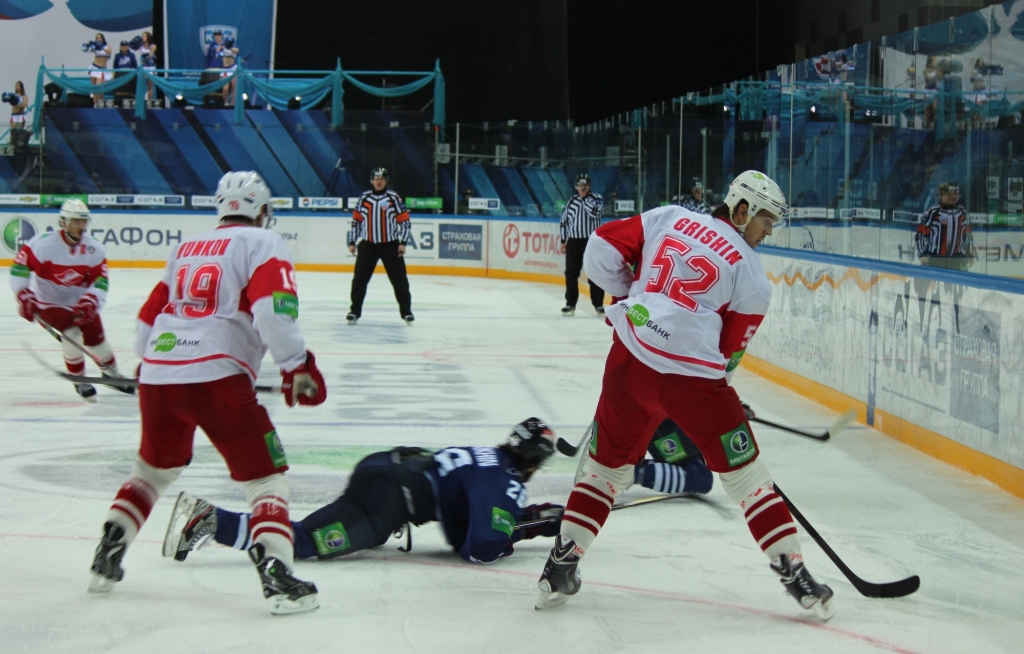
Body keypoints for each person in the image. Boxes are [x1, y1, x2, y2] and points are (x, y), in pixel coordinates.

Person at [536, 170, 836, 621]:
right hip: (690, 381)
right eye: (766, 219)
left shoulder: (669, 217)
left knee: (604, 470)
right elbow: (728, 355)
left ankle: (559, 567)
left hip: (629, 358)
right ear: (741, 210)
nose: (769, 230)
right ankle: (796, 575)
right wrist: (721, 401)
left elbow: (598, 248)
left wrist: (635, 295)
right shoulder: (752, 274)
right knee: (747, 477)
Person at [87, 171, 329, 616]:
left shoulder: (185, 248)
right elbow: (273, 310)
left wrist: (151, 365)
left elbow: (147, 317)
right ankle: (276, 572)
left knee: (153, 471)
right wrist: (296, 364)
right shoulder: (264, 243)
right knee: (265, 477)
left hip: (160, 375)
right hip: (217, 376)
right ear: (261, 210)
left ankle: (110, 548)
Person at [165, 418, 563, 566]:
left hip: (383, 466)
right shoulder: (505, 481)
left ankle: (214, 521)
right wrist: (524, 527)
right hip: (385, 500)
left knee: (312, 529)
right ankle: (212, 520)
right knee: (303, 540)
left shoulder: (487, 456)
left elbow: (459, 526)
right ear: (534, 460)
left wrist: (525, 520)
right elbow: (479, 549)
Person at [9, 199, 132, 401]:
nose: (81, 227)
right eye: (76, 221)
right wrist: (24, 294)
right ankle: (80, 380)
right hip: (49, 302)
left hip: (79, 301)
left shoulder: (94, 249)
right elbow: (18, 269)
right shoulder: (43, 244)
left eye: (84, 221)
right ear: (64, 222)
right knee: (71, 334)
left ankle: (112, 375)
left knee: (97, 338)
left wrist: (91, 301)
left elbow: (100, 282)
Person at [346, 167, 413, 325]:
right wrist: (352, 241)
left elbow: (404, 221)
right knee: (359, 280)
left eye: (381, 178)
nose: (378, 181)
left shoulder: (393, 197)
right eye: (376, 178)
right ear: (371, 180)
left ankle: (407, 312)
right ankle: (354, 311)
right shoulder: (364, 198)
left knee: (399, 280)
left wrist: (402, 242)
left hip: (390, 245)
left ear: (386, 181)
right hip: (368, 245)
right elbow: (357, 221)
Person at [559, 173, 605, 317]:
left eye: (585, 185)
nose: (582, 188)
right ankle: (570, 303)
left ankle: (598, 304)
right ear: (576, 186)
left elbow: (595, 213)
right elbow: (564, 220)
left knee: (594, 272)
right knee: (571, 273)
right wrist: (563, 240)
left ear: (589, 186)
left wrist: (584, 199)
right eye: (580, 185)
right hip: (573, 240)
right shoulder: (572, 201)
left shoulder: (596, 199)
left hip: (591, 240)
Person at [915, 182, 973, 271]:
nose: (953, 196)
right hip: (934, 258)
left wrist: (969, 254)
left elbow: (968, 236)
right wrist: (922, 255)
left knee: (954, 282)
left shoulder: (963, 213)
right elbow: (920, 235)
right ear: (941, 195)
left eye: (956, 193)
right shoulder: (933, 212)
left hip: (956, 258)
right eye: (950, 193)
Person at [87, 33, 112, 106]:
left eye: (100, 37)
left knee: (99, 87)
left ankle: (100, 103)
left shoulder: (107, 46)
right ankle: (96, 104)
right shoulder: (95, 47)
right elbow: (88, 50)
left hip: (102, 69)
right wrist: (89, 46)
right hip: (94, 67)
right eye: (97, 38)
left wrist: (101, 47)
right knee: (94, 88)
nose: (98, 39)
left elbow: (109, 52)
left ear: (103, 38)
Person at [220, 35, 240, 106]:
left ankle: (232, 104)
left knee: (234, 88)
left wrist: (229, 47)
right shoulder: (223, 48)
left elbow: (236, 50)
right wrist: (222, 47)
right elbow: (217, 50)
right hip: (225, 69)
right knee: (225, 88)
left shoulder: (235, 49)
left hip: (233, 69)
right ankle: (226, 103)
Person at [8, 81, 28, 148]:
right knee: (12, 132)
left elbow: (24, 105)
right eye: (16, 86)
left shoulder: (24, 96)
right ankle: (11, 145)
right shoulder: (13, 96)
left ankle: (19, 147)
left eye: (19, 86)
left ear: (21, 87)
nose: (17, 87)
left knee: (19, 132)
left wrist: (17, 104)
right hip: (14, 116)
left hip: (20, 116)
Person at [139, 32, 158, 101]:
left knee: (150, 86)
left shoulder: (153, 46)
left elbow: (150, 55)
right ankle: (141, 100)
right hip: (143, 67)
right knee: (142, 85)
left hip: (150, 67)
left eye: (145, 36)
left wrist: (146, 58)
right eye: (143, 36)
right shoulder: (141, 46)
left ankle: (149, 101)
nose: (143, 37)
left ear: (148, 37)